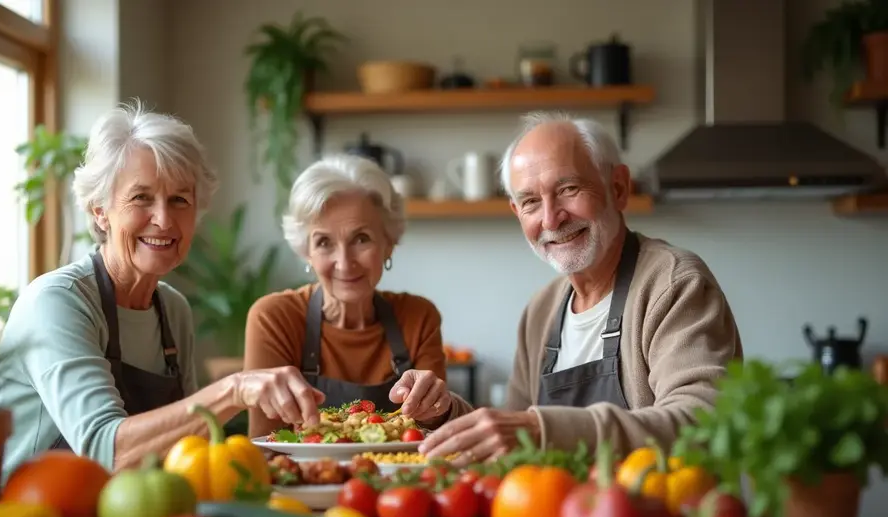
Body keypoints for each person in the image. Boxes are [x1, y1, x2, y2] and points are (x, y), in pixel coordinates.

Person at [0, 101, 323, 481]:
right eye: (141, 198)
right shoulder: (57, 302)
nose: (163, 220)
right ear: (100, 209)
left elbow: (182, 449)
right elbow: (105, 450)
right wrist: (233, 390)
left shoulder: (171, 309)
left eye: (179, 199)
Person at [419, 111, 743, 464]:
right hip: (560, 515)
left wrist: (545, 431)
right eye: (530, 202)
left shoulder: (674, 284)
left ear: (617, 188)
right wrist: (445, 414)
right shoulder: (541, 310)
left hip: (662, 514)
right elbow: (510, 434)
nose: (551, 218)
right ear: (516, 212)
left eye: (568, 189)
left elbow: (703, 422)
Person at [243, 154, 474, 438]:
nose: (344, 262)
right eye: (324, 242)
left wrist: (438, 408)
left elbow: (437, 438)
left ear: (388, 243)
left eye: (361, 238)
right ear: (307, 252)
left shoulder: (418, 317)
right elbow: (267, 445)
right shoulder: (274, 317)